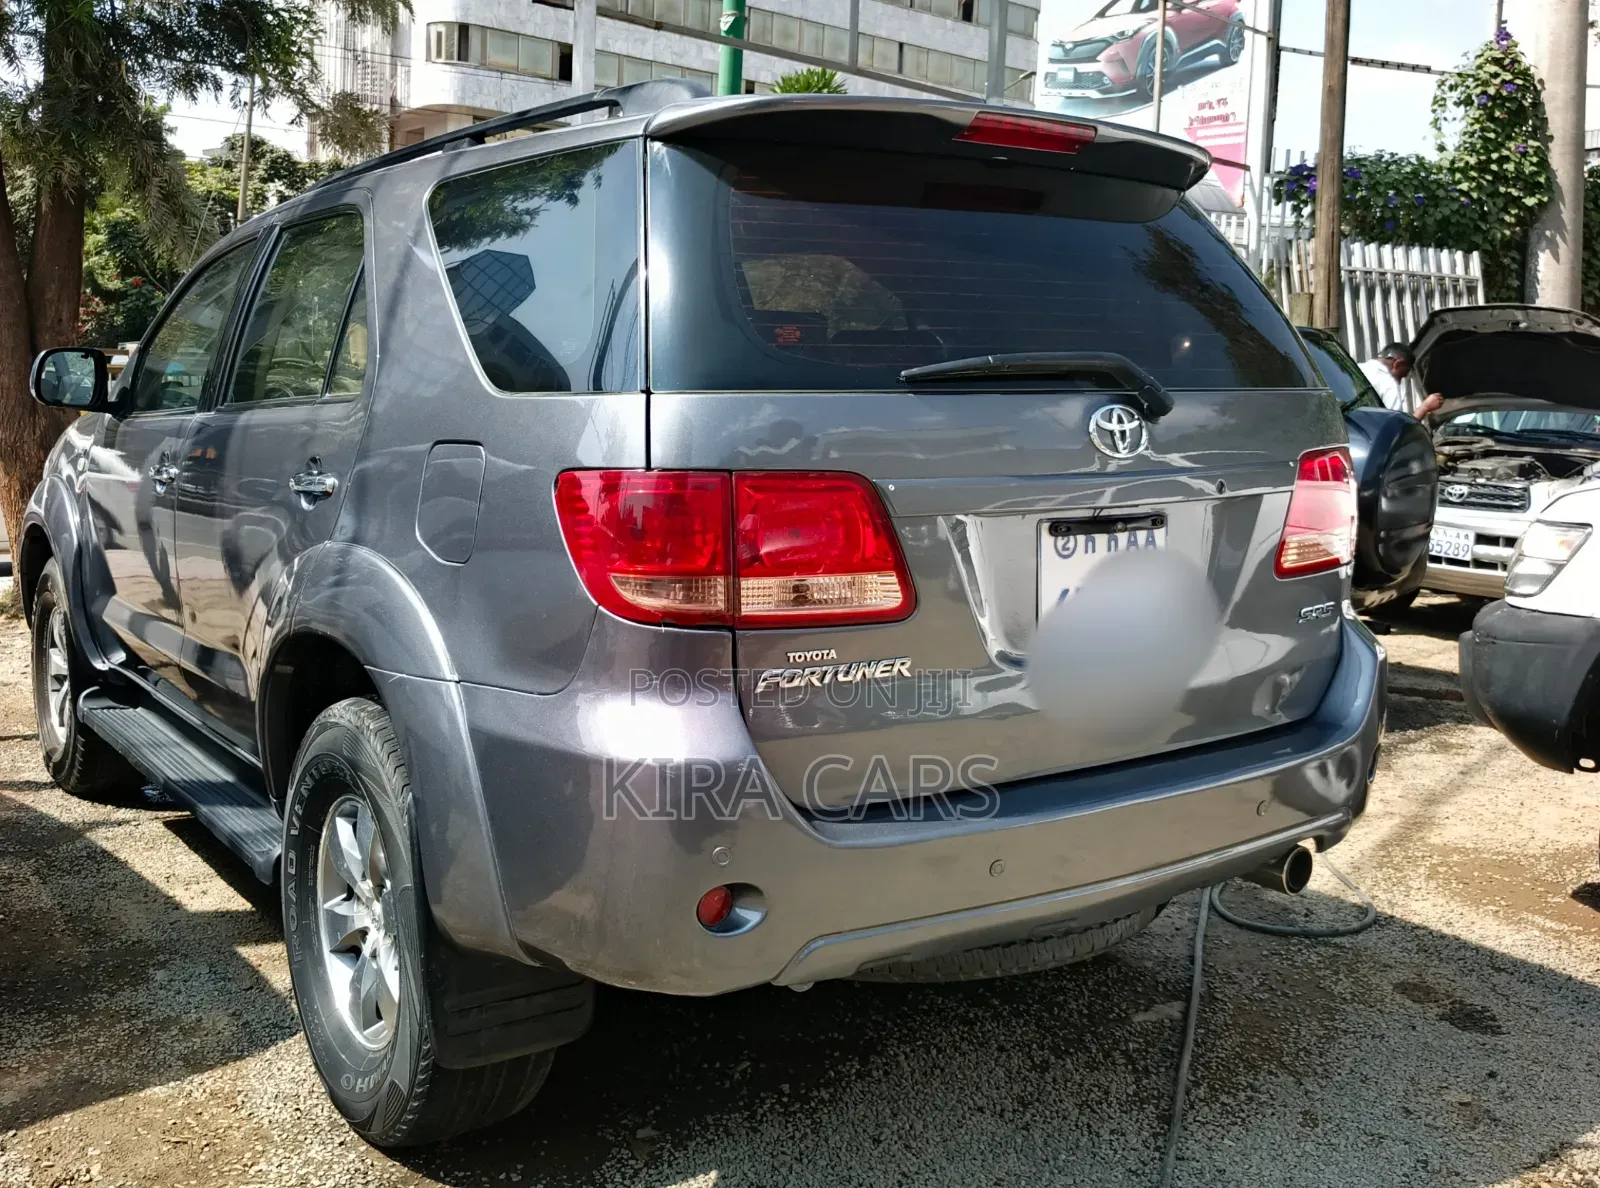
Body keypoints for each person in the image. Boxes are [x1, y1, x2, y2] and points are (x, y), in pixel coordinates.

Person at [1358, 343, 1445, 418]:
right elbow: (1395, 430)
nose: (1399, 382)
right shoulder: (1389, 385)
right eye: (1401, 377)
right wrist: (1425, 407)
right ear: (1397, 364)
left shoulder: (1357, 368)